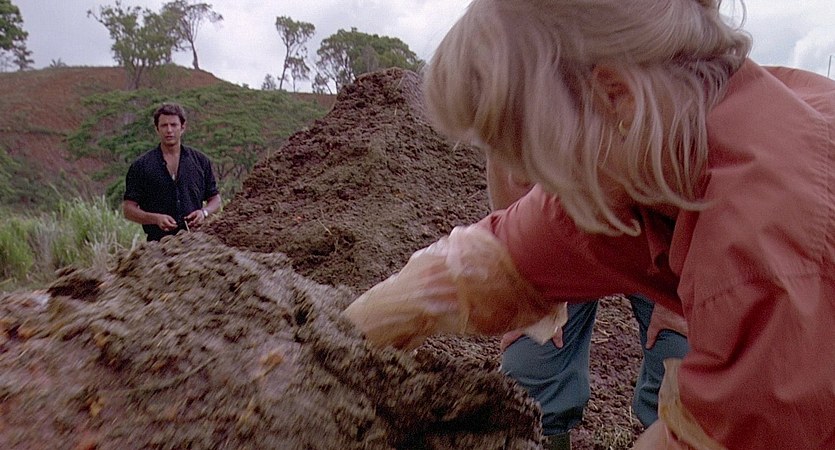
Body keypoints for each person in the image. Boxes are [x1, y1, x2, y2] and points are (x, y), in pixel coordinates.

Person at [343, 0, 835, 448]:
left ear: (615, 96)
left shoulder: (764, 245)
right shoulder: (645, 150)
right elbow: (480, 266)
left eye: (529, 149)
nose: (520, 180)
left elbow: (731, 434)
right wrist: (325, 346)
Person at [489, 158, 689, 450]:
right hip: (568, 223)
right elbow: (507, 166)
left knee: (685, 366)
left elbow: (709, 184)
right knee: (530, 367)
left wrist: (681, 291)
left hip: (667, 231)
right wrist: (528, 282)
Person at [123, 103, 221, 241]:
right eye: (164, 125)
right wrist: (155, 219)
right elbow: (128, 209)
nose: (169, 130)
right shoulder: (141, 166)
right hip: (158, 245)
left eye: (174, 125)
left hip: (195, 242)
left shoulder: (200, 161)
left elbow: (215, 199)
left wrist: (204, 213)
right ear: (157, 129)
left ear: (183, 127)